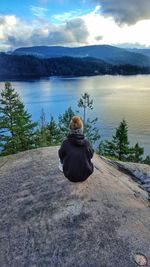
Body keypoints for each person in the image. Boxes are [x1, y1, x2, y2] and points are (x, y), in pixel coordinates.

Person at [58, 116, 94, 182]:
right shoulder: (87, 143)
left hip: (70, 176)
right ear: (81, 129)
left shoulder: (65, 143)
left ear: (70, 130)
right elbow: (91, 156)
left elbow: (61, 156)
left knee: (60, 160)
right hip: (85, 175)